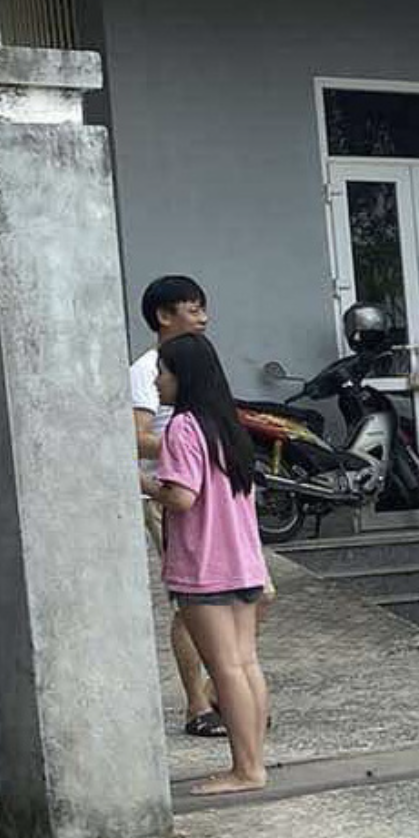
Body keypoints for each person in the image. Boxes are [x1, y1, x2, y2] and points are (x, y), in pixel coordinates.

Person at [146, 332, 272, 795]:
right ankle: (255, 761)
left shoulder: (182, 428)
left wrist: (144, 482)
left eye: (163, 371)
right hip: (244, 562)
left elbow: (181, 496)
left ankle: (246, 770)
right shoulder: (229, 426)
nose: (157, 381)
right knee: (246, 664)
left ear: (185, 376)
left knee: (224, 670)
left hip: (204, 566)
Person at [131, 275, 221, 738]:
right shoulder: (148, 369)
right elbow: (136, 435)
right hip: (173, 496)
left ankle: (221, 688)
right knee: (192, 603)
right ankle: (197, 705)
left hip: (213, 496)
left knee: (255, 595)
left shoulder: (202, 363)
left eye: (204, 308)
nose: (203, 317)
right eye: (192, 308)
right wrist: (190, 446)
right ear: (165, 316)